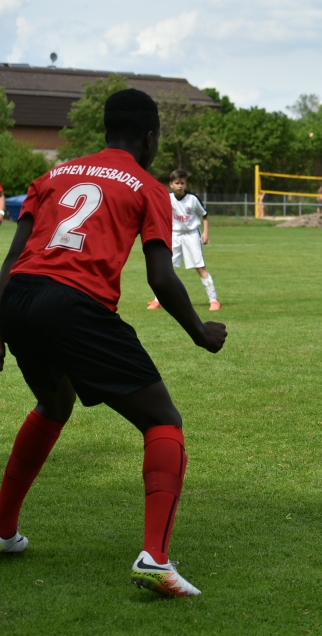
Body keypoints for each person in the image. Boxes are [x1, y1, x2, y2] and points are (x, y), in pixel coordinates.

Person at [0, 89, 227, 597]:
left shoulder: (54, 175)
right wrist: (201, 332)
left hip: (20, 299)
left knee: (54, 403)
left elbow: (11, 261)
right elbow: (161, 277)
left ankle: (3, 529)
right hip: (74, 305)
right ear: (149, 137)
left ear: (106, 131)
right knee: (163, 420)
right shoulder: (147, 186)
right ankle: (155, 559)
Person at [146, 170, 221, 312]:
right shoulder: (167, 198)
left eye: (182, 183)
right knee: (166, 268)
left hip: (192, 235)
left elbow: (205, 215)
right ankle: (158, 300)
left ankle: (214, 300)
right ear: (171, 184)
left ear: (186, 184)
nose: (180, 186)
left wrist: (206, 233)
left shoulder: (193, 199)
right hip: (175, 236)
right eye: (177, 183)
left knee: (200, 267)